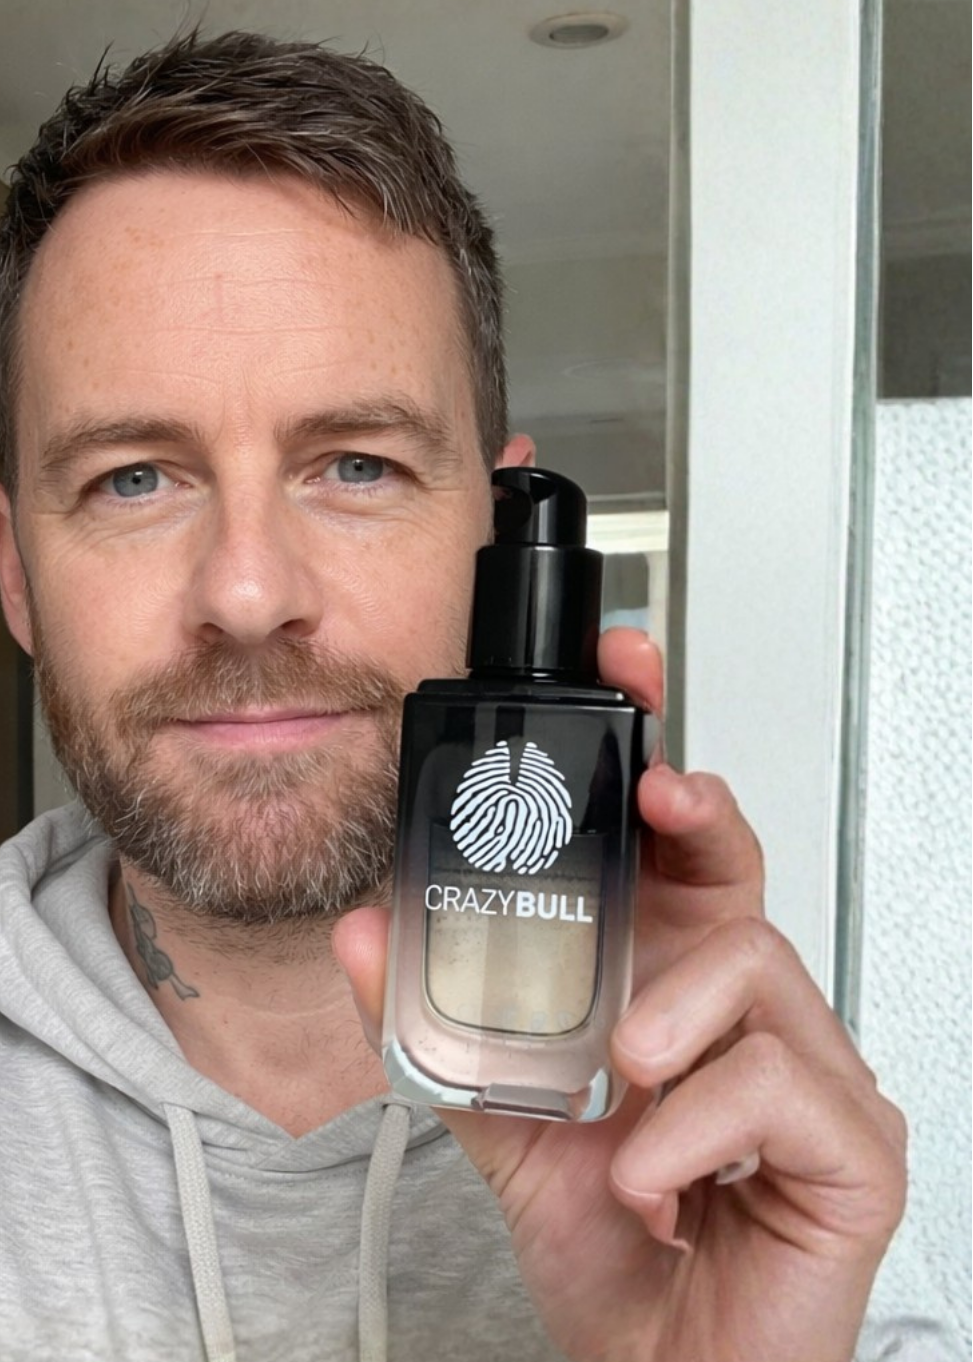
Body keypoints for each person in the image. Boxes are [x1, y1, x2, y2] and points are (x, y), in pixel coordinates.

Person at [0, 28, 926, 1362]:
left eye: (357, 465)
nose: (248, 592)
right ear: (18, 577)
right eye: (133, 478)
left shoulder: (739, 1156)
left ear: (495, 537)